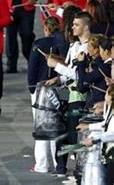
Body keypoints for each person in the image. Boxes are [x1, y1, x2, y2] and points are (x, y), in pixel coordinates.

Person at [46, 11, 92, 177]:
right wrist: (59, 79)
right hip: (69, 95)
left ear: (86, 27)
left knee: (75, 137)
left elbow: (80, 76)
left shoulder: (89, 47)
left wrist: (56, 66)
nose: (72, 27)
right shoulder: (74, 46)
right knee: (63, 133)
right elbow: (70, 72)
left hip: (81, 98)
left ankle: (81, 172)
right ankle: (61, 168)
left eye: (76, 24)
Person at [27, 16, 61, 173]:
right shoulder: (62, 43)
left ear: (46, 28)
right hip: (58, 87)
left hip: (40, 88)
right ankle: (57, 161)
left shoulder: (38, 44)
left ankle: (42, 164)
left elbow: (32, 68)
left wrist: (31, 89)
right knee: (57, 126)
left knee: (41, 127)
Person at [76, 84, 114, 185]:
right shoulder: (111, 111)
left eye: (107, 93)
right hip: (109, 154)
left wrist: (94, 139)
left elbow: (112, 134)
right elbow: (104, 125)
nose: (105, 96)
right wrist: (88, 127)